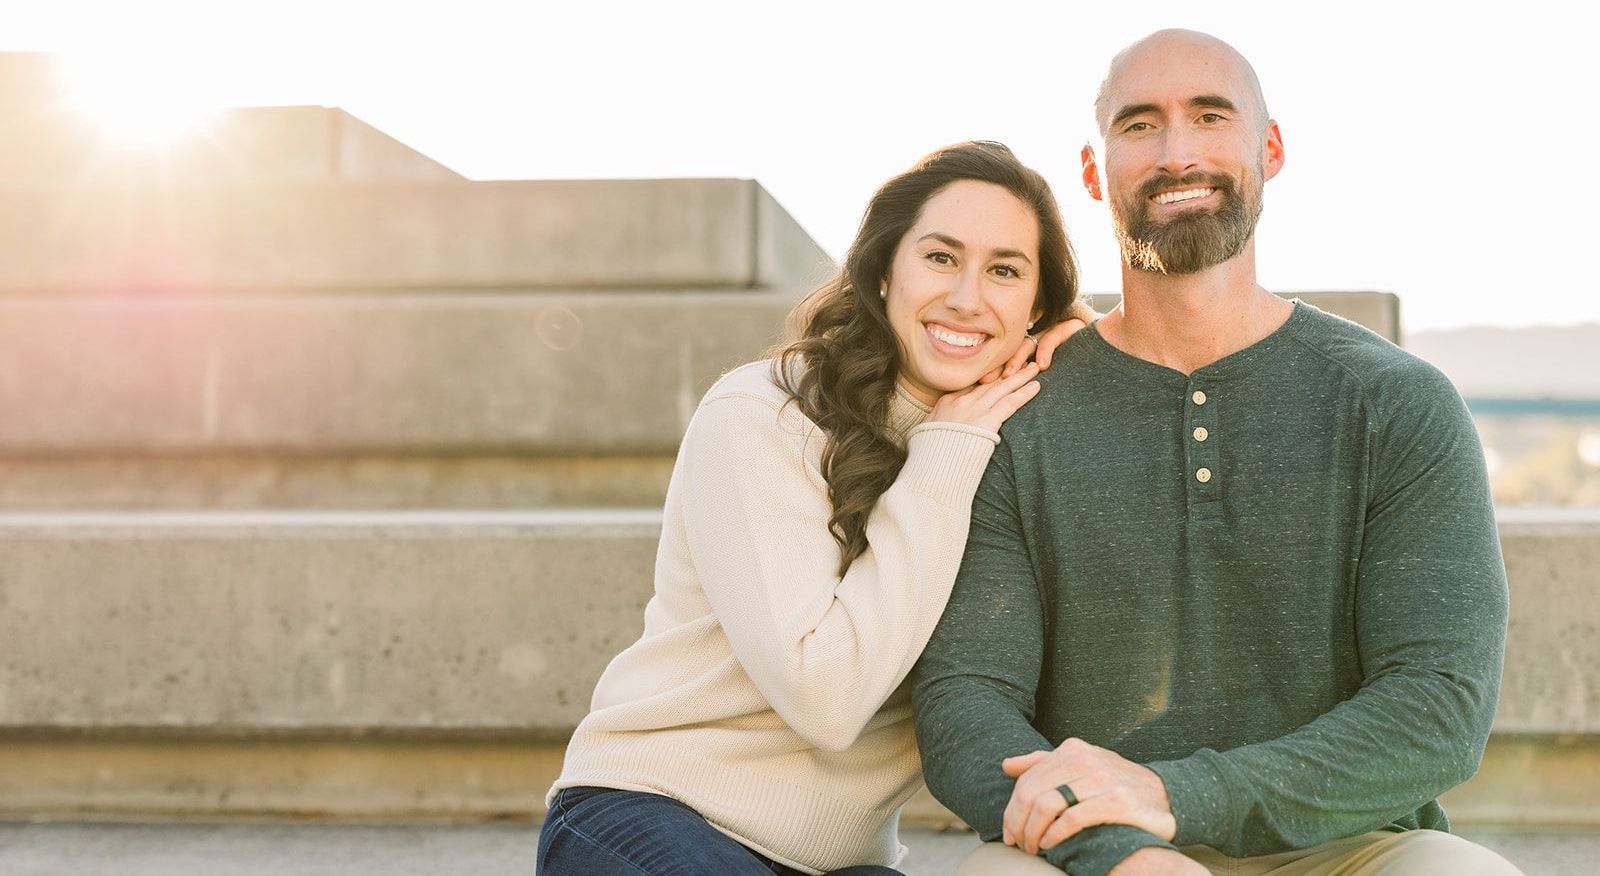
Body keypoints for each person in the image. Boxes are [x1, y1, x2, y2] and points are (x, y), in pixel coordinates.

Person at [910, 30, 1522, 876]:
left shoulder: (1396, 402)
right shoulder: (1020, 414)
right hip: (1091, 849)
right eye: (1139, 125)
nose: (1176, 152)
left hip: (1349, 849)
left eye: (1209, 116)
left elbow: (1438, 707)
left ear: (1268, 150)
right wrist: (1123, 849)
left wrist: (1179, 796)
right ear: (1095, 172)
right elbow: (964, 700)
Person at [538, 141, 1095, 876]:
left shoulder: (1007, 443)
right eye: (939, 257)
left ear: (1036, 309)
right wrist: (947, 449)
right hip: (652, 811)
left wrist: (1096, 375)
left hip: (838, 865)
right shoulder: (763, 414)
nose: (966, 296)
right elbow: (823, 698)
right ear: (883, 268)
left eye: (1004, 271)